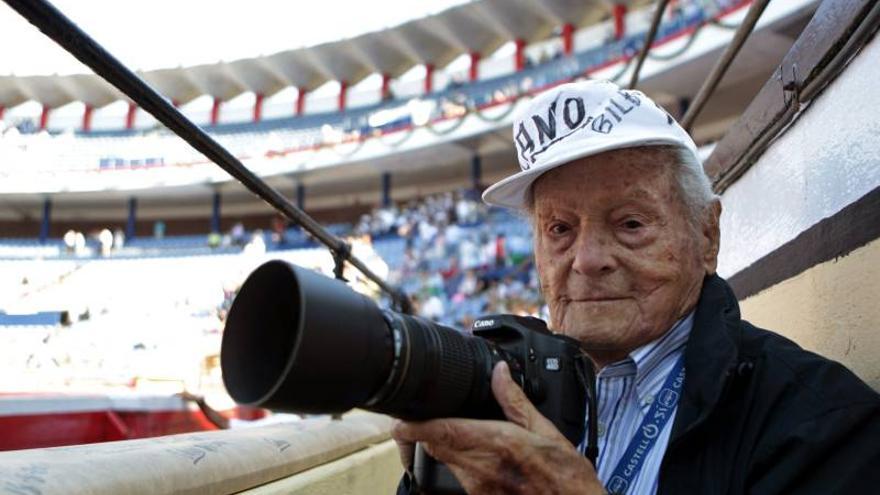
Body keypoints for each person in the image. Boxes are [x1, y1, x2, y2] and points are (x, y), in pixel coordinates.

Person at [392, 80, 880, 494]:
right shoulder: (513, 389)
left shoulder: (820, 422)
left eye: (629, 223)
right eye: (559, 229)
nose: (587, 261)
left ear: (706, 235)